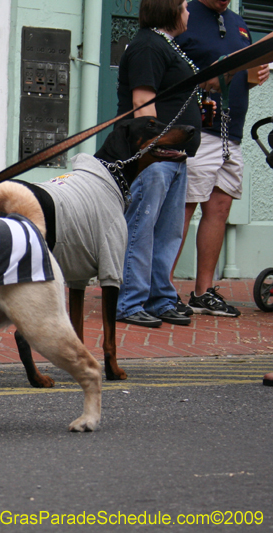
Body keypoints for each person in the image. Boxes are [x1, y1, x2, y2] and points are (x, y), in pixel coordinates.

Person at [171, 0, 270, 317]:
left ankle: (202, 292)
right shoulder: (184, 14)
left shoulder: (239, 23)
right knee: (183, 209)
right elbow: (169, 68)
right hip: (196, 129)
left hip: (232, 132)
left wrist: (256, 74)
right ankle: (163, 290)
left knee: (219, 208)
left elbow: (245, 75)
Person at [114, 0, 202, 328]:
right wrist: (152, 150)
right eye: (183, 5)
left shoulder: (166, 45)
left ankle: (160, 298)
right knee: (141, 228)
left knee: (166, 233)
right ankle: (130, 301)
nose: (188, 11)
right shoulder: (148, 45)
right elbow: (142, 100)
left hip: (174, 158)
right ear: (169, 10)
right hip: (155, 158)